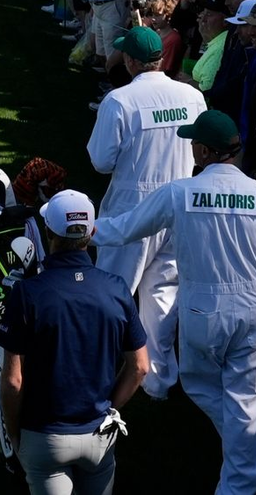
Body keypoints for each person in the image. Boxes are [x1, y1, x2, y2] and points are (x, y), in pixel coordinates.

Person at [93, 110, 256, 495]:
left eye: (192, 143)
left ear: (204, 150)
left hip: (202, 310)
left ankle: (244, 479)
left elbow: (126, 228)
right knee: (247, 400)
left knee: (201, 386)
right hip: (251, 308)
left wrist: (82, 227)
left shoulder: (179, 193)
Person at [0, 189, 147, 495]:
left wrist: (14, 435)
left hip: (44, 437)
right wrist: (106, 410)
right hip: (99, 437)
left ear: (48, 232)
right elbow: (141, 368)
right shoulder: (117, 290)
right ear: (91, 232)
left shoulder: (27, 294)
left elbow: (12, 381)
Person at [86, 25, 206, 400]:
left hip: (132, 209)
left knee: (112, 291)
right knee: (163, 295)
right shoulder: (191, 95)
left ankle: (96, 373)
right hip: (179, 206)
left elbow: (101, 161)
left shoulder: (120, 100)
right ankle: (157, 381)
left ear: (133, 61)